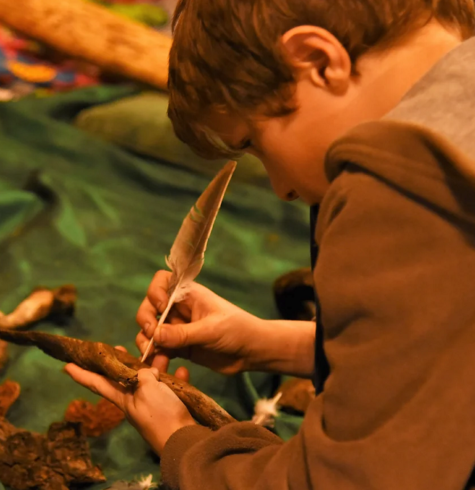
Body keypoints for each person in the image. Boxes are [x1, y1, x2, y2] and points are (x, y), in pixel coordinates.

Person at [64, 0, 475, 488]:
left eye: (254, 140)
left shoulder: (395, 193)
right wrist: (269, 343)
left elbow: (347, 481)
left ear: (318, 61)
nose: (281, 188)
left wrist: (179, 438)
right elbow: (448, 347)